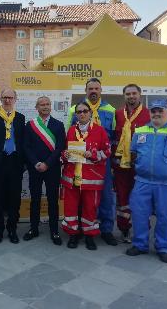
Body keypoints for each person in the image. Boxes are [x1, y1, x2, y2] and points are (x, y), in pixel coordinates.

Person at [126, 100, 167, 263]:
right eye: (153, 111)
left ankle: (163, 247)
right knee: (139, 214)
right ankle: (140, 244)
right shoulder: (140, 131)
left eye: (160, 111)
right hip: (142, 181)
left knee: (165, 216)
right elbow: (134, 152)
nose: (156, 114)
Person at [67, 78, 117, 246]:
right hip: (75, 167)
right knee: (76, 202)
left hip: (99, 166)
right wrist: (65, 154)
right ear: (85, 90)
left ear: (101, 90)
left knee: (103, 199)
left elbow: (113, 139)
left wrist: (96, 154)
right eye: (90, 88)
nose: (82, 114)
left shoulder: (110, 110)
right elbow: (66, 140)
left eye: (96, 88)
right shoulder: (72, 113)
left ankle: (105, 231)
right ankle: (77, 232)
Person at [61, 101, 111, 250]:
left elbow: (107, 152)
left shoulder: (100, 131)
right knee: (71, 208)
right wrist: (65, 154)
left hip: (91, 178)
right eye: (79, 112)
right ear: (76, 114)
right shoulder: (70, 131)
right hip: (72, 177)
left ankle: (89, 236)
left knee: (90, 208)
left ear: (90, 113)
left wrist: (93, 154)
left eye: (85, 111)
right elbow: (63, 151)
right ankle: (73, 235)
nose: (82, 114)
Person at [23, 96, 66, 245]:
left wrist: (47, 164)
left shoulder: (59, 125)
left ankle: (54, 231)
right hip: (35, 169)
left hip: (52, 168)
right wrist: (36, 163)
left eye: (47, 104)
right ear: (37, 107)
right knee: (35, 199)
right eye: (42, 104)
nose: (45, 106)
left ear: (51, 107)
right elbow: (26, 147)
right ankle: (33, 228)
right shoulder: (30, 125)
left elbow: (60, 147)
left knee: (52, 200)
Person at [0, 89, 25, 244]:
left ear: (15, 99)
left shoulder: (20, 118)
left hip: (15, 162)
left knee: (15, 199)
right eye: (5, 97)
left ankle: (12, 229)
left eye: (10, 97)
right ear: (0, 99)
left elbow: (23, 143)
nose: (7, 100)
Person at [112, 84, 150, 243]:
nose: (131, 96)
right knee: (122, 198)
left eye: (134, 93)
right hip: (121, 166)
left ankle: (143, 232)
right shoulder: (118, 114)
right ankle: (124, 229)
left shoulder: (149, 114)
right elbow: (114, 137)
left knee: (142, 200)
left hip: (141, 165)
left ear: (140, 95)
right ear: (124, 96)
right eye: (128, 94)